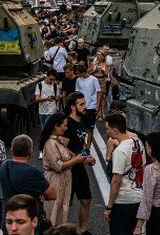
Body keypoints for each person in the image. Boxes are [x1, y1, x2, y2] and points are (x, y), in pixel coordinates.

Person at [40, 112, 94, 225]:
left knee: (62, 208)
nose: (66, 128)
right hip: (55, 180)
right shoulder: (50, 143)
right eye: (64, 125)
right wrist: (77, 160)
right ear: (56, 126)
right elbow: (58, 166)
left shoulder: (59, 141)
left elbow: (72, 155)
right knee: (54, 209)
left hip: (64, 179)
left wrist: (84, 158)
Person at [0, 134, 57, 228]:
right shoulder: (32, 172)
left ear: (12, 150)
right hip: (26, 221)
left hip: (8, 219)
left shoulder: (4, 165)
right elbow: (53, 194)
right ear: (31, 151)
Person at [104, 112, 145, 235]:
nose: (107, 132)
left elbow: (116, 180)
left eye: (108, 129)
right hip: (138, 197)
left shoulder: (120, 151)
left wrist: (109, 207)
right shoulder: (138, 142)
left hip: (123, 201)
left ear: (116, 130)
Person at [63, 92, 94, 234]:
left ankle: (82, 230)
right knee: (65, 204)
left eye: (84, 103)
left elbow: (81, 145)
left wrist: (87, 155)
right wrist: (81, 158)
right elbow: (63, 150)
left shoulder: (80, 122)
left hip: (80, 167)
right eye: (81, 104)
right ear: (72, 107)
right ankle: (63, 230)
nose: (84, 107)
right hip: (69, 169)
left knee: (86, 200)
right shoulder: (67, 125)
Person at [36, 70, 60, 154]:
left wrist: (57, 105)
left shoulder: (55, 86)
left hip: (51, 111)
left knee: (47, 130)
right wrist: (47, 98)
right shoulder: (39, 85)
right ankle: (45, 149)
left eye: (53, 80)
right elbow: (37, 99)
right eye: (50, 79)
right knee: (44, 129)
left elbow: (58, 98)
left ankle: (44, 150)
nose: (52, 81)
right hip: (42, 111)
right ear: (46, 76)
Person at [75, 64, 99, 148]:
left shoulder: (94, 79)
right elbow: (77, 93)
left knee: (90, 128)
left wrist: (97, 106)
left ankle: (88, 146)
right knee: (81, 128)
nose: (77, 75)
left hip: (91, 106)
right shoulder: (78, 80)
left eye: (78, 73)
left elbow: (98, 92)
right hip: (82, 108)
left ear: (83, 72)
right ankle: (83, 145)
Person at [90, 50, 109, 120]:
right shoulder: (93, 63)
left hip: (101, 81)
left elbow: (107, 75)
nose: (98, 56)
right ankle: (97, 113)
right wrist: (95, 69)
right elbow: (90, 73)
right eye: (97, 55)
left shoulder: (105, 64)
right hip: (95, 80)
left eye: (100, 55)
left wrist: (103, 70)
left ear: (103, 56)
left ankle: (101, 113)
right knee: (96, 97)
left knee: (101, 97)